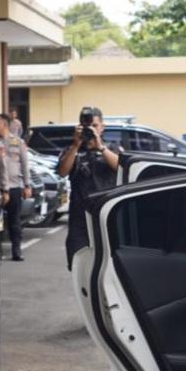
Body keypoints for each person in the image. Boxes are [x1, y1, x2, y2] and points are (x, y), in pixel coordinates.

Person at [56, 106, 120, 270]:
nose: (91, 129)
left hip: (105, 217)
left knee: (108, 267)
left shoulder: (112, 148)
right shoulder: (72, 150)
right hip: (80, 219)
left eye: (95, 125)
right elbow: (63, 172)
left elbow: (121, 167)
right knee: (79, 265)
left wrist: (101, 148)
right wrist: (76, 145)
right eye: (87, 126)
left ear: (102, 127)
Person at [0, 113, 31, 261]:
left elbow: (24, 164)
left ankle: (16, 251)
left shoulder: (17, 142)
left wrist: (27, 185)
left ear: (4, 124)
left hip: (15, 186)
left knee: (14, 221)